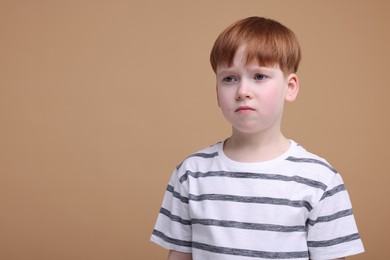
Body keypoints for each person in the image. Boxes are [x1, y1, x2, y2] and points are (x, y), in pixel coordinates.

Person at [150, 16, 365, 260]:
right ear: (217, 92)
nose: (242, 91)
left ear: (290, 87)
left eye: (259, 76)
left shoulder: (320, 180)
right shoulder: (191, 173)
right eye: (229, 78)